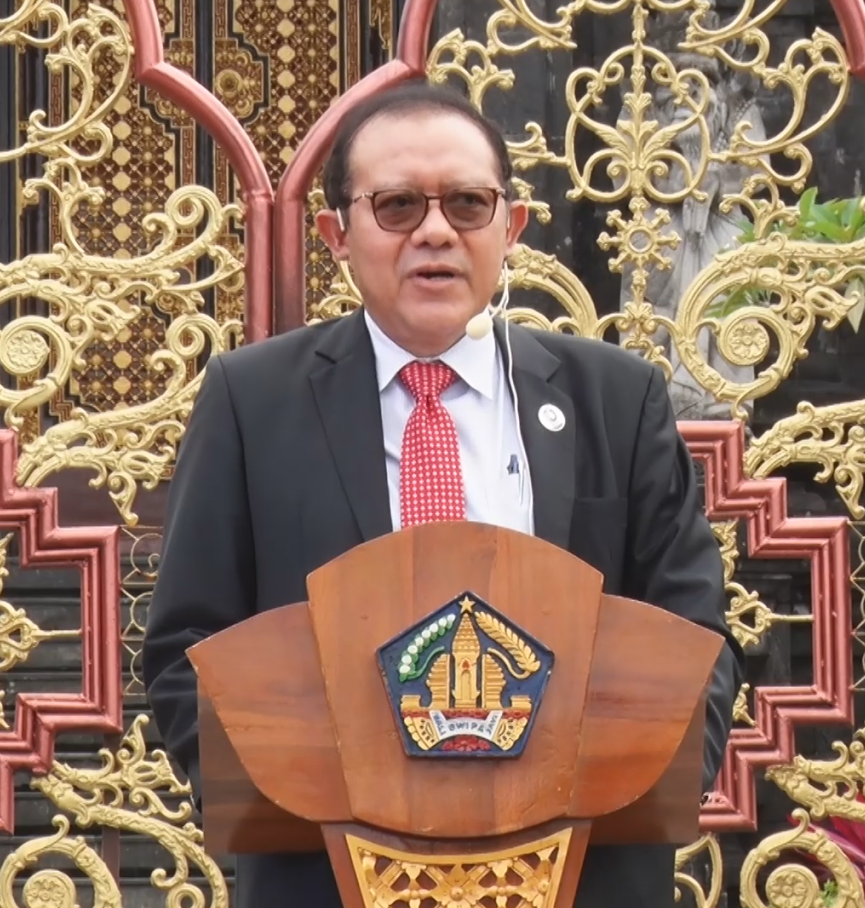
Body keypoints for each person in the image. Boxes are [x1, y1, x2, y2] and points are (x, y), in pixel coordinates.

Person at [142, 79, 743, 908]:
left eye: (466, 203)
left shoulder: (613, 398)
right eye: (396, 206)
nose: (434, 232)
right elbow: (187, 644)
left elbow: (692, 635)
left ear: (511, 225)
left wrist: (630, 787)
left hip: (579, 875)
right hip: (332, 880)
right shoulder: (253, 402)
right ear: (336, 234)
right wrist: (297, 796)